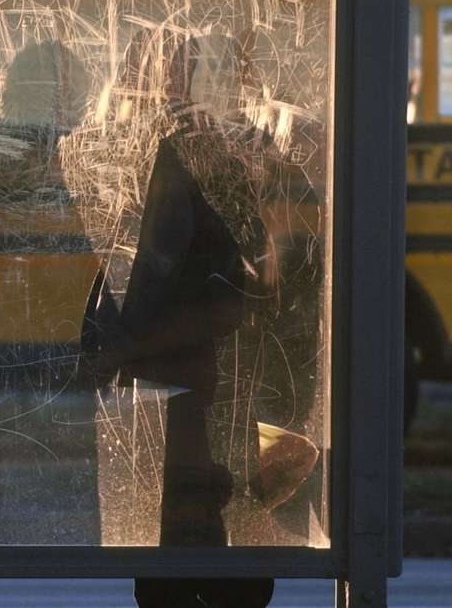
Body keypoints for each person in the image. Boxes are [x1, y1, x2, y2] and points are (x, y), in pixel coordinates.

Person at [82, 33, 277, 608]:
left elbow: (158, 258)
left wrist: (121, 342)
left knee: (184, 488)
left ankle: (187, 582)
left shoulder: (182, 149)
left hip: (183, 353)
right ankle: (227, 583)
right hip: (238, 351)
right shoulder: (257, 147)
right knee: (221, 482)